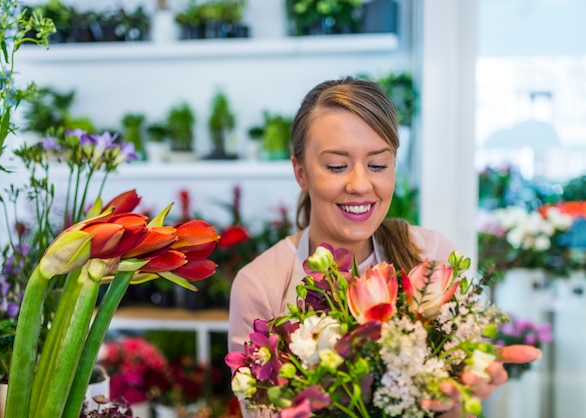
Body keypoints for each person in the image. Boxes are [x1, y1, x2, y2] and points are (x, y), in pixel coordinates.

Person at [228, 76, 540, 417]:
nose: (360, 184)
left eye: (378, 165)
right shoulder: (261, 283)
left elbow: (459, 394)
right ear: (300, 172)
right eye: (336, 166)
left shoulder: (430, 258)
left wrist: (459, 402)